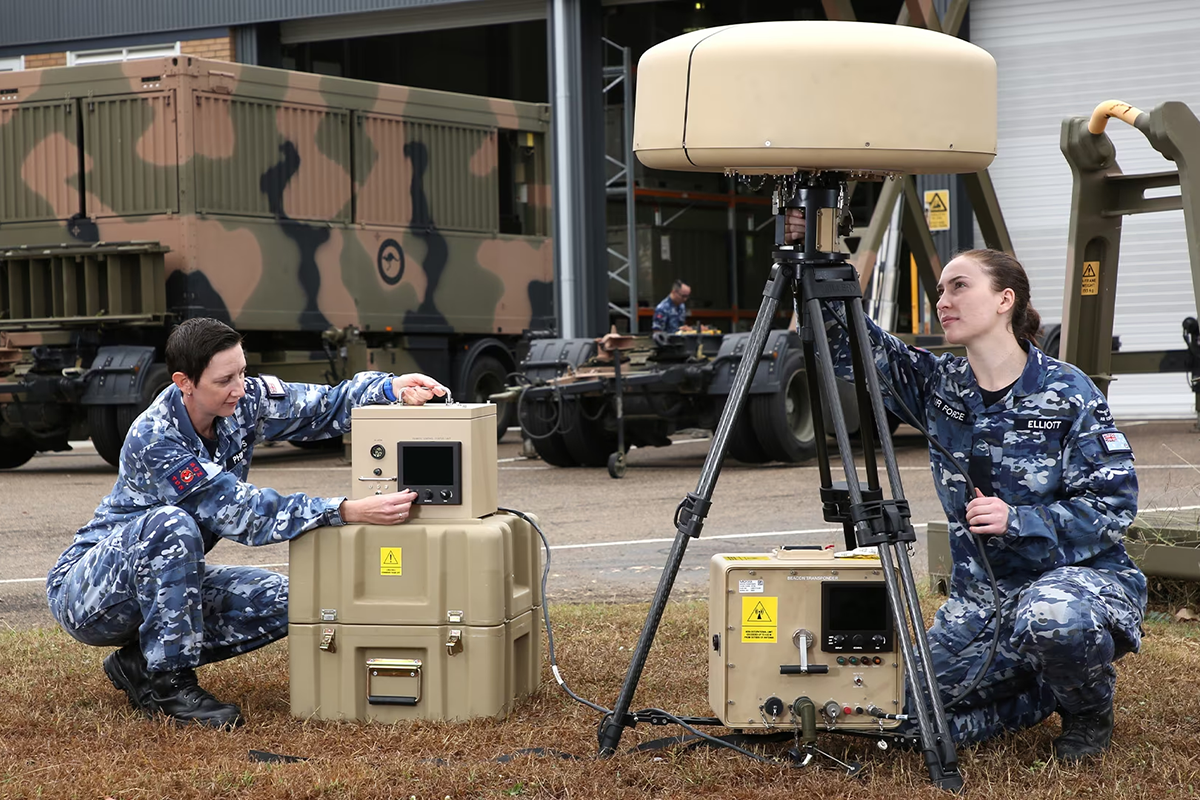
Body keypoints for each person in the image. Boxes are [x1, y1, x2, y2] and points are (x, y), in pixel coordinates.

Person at [785, 211, 1145, 762]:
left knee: (1051, 620)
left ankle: (1087, 707)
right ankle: (1042, 691)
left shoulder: (1067, 391)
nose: (942, 300)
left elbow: (1114, 505)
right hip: (979, 602)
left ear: (1005, 300)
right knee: (894, 712)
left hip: (1074, 583)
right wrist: (813, 260)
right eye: (939, 290)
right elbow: (848, 342)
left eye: (959, 286)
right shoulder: (939, 386)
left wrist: (1019, 519)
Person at [45, 317, 447, 729]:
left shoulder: (243, 400)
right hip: (90, 592)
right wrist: (345, 510)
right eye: (225, 380)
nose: (239, 387)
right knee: (170, 523)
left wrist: (388, 388)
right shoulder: (155, 438)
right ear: (185, 382)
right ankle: (168, 685)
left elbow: (323, 406)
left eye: (243, 372)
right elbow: (242, 513)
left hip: (165, 578)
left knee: (299, 599)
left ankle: (141, 662)